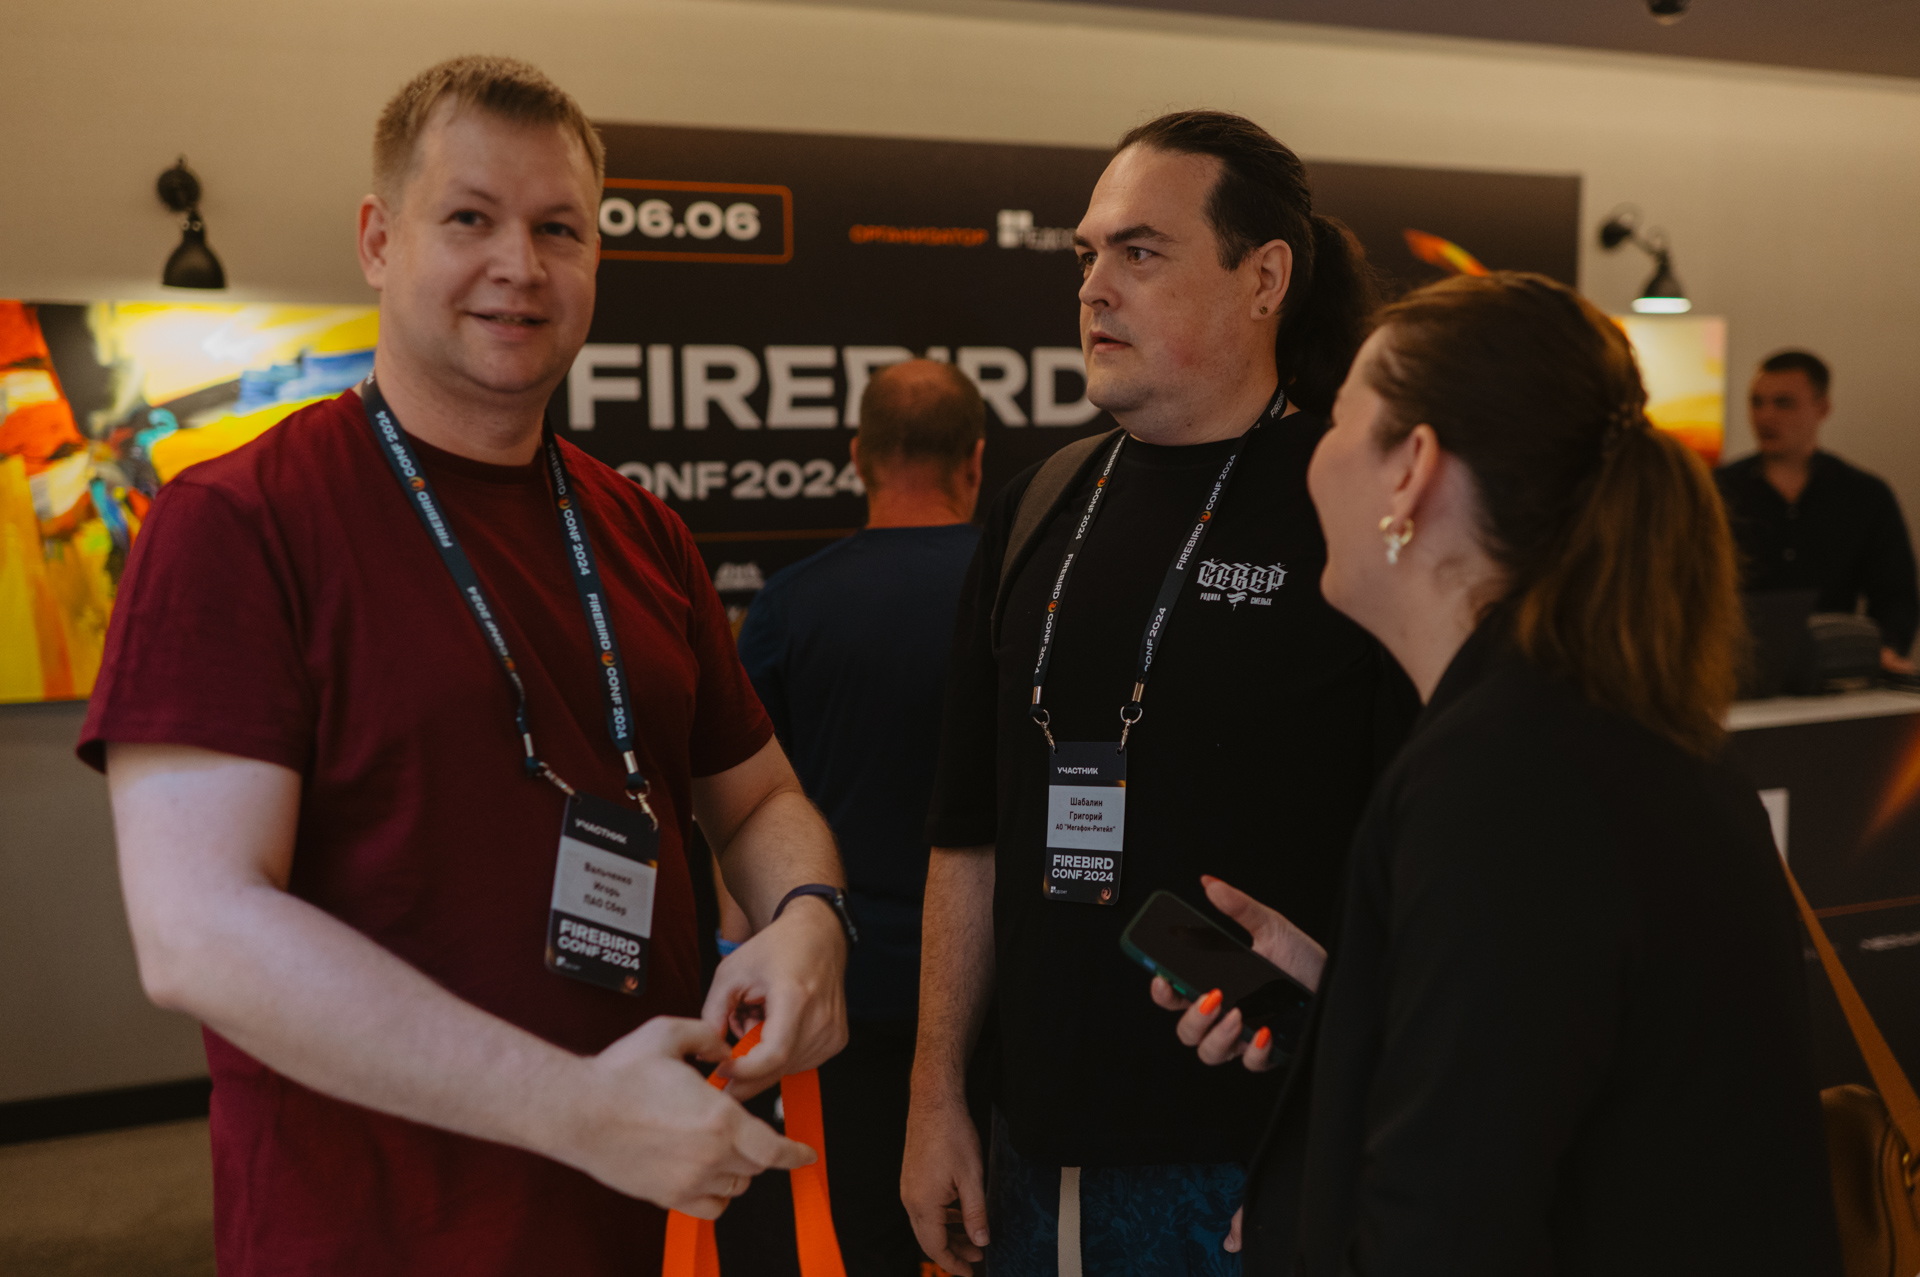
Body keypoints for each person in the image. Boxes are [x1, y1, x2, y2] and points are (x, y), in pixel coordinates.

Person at [79, 56, 853, 1277]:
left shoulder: (642, 532)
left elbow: (759, 800)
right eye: (470, 219)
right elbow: (197, 927)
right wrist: (575, 1108)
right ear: (379, 240)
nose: (520, 265)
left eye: (559, 229)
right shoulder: (238, 520)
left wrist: (810, 917)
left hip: (658, 1221)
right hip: (377, 1237)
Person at [1159, 273, 1840, 1274]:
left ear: (1412, 469)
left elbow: (1447, 1225)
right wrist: (1350, 994)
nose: (1315, 457)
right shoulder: (1592, 730)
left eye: (1339, 422)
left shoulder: (1506, 779)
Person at [905, 109, 1413, 1277]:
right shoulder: (1039, 502)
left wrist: (1344, 1136)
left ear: (1263, 278)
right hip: (1029, 1157)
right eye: (1088, 254)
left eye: (1140, 252)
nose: (1095, 287)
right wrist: (936, 1096)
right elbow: (968, 833)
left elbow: (1442, 858)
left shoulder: (1357, 507)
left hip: (1253, 1165)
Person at [735, 359, 987, 1275]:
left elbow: (741, 805)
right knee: (998, 1231)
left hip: (851, 983)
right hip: (995, 986)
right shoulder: (1024, 591)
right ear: (976, 460)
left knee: (865, 1240)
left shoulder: (789, 604)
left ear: (857, 456)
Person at [1715, 349, 1919, 673]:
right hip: (1736, 668)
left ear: (1822, 408)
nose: (1765, 416)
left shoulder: (1863, 495)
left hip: (1834, 668)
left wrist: (1884, 650)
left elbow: (1896, 595)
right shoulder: (1718, 491)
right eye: (1757, 402)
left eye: (1783, 403)